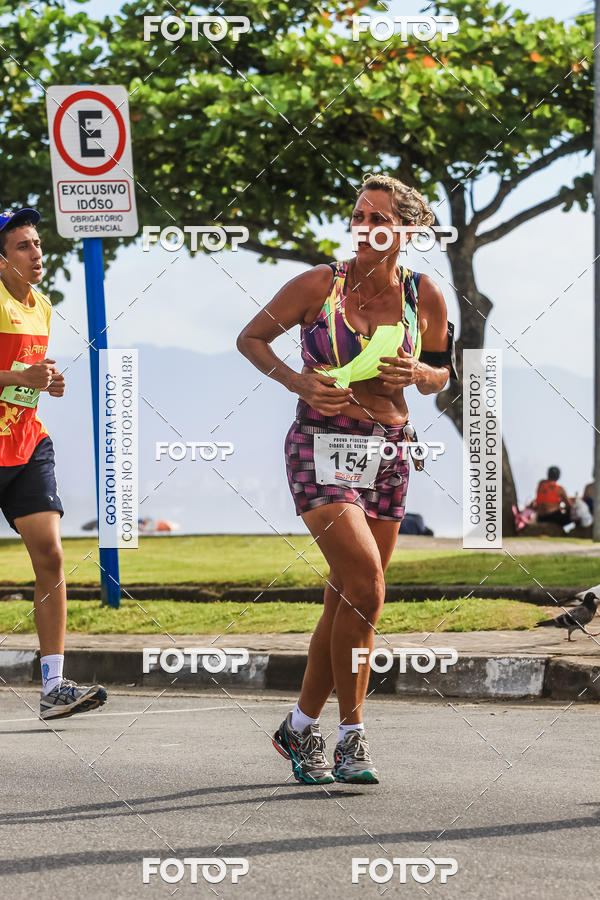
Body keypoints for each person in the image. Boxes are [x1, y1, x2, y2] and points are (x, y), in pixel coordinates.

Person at [237, 174, 455, 784]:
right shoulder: (317, 284)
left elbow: (443, 372)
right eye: (359, 215)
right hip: (320, 442)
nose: (364, 228)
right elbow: (250, 337)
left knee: (350, 596)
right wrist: (297, 380)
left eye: (377, 218)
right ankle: (352, 735)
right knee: (366, 582)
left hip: (390, 448)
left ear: (405, 232)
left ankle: (298, 728)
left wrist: (418, 371)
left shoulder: (424, 294)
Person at [0, 207, 107, 719]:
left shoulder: (42, 303)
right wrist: (23, 375)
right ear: (1, 262)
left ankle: (53, 685)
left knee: (51, 557)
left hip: (25, 445)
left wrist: (49, 379)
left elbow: (29, 374)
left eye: (37, 243)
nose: (36, 253)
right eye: (23, 246)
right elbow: (15, 372)